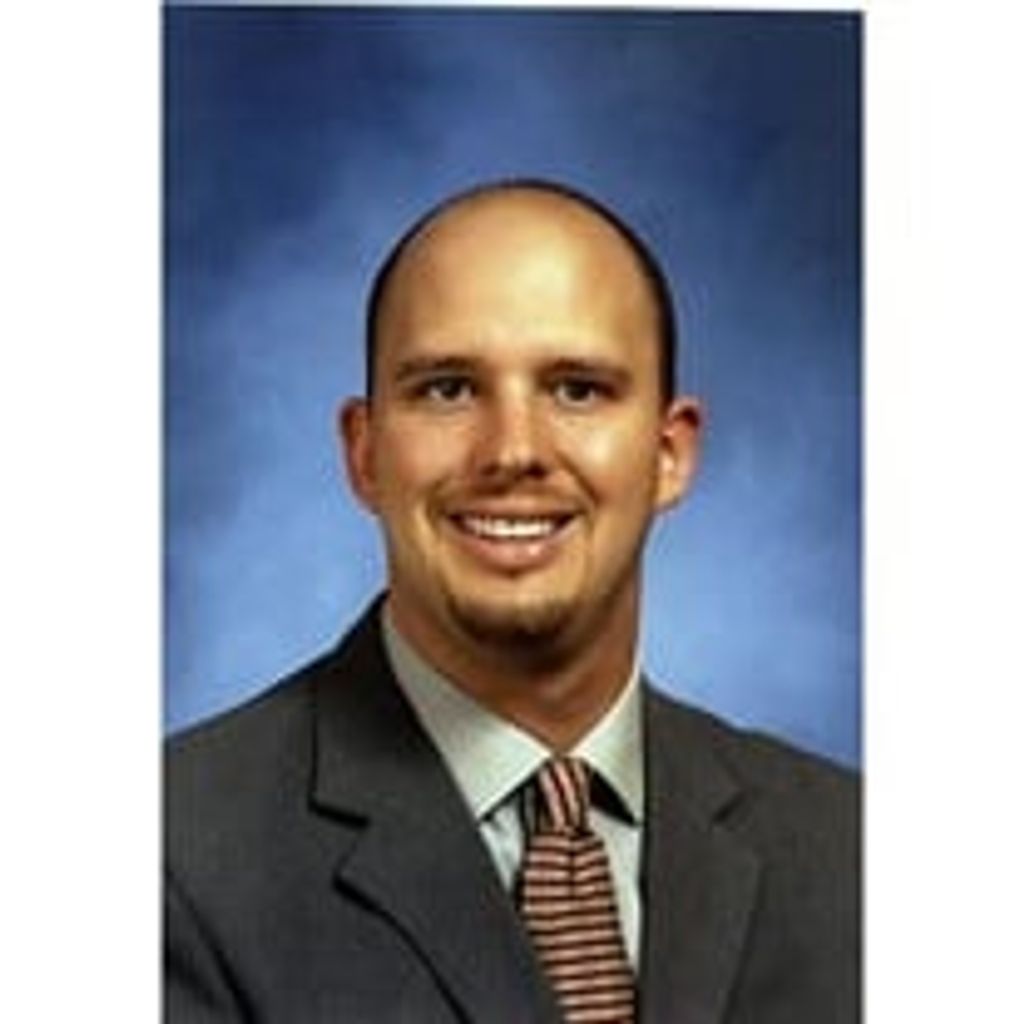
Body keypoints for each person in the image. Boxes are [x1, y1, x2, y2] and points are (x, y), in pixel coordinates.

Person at [165, 180, 859, 1022]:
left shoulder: (850, 853)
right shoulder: (175, 854)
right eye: (448, 389)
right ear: (365, 453)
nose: (512, 450)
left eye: (578, 389)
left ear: (669, 454)